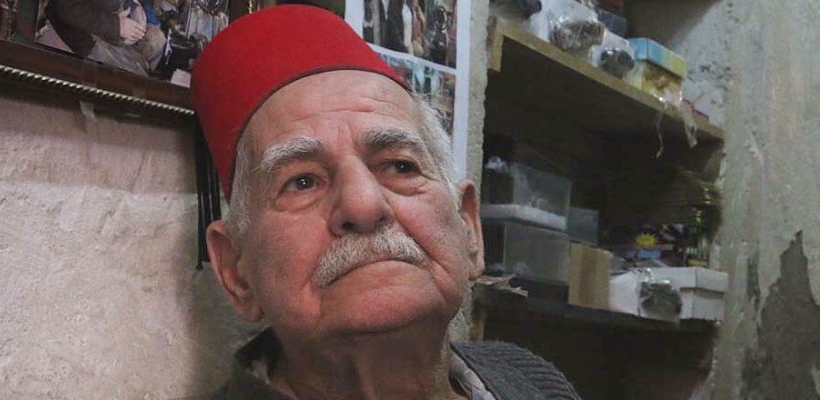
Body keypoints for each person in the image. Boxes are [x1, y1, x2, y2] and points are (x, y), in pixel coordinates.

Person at [190, 5, 580, 399]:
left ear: (468, 227)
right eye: (302, 182)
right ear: (236, 272)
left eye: (400, 166)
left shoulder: (531, 381)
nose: (364, 206)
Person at [45, 0, 165, 76]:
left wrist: (134, 5)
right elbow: (68, 9)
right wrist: (117, 25)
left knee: (158, 41)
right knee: (134, 80)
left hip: (114, 13)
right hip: (85, 33)